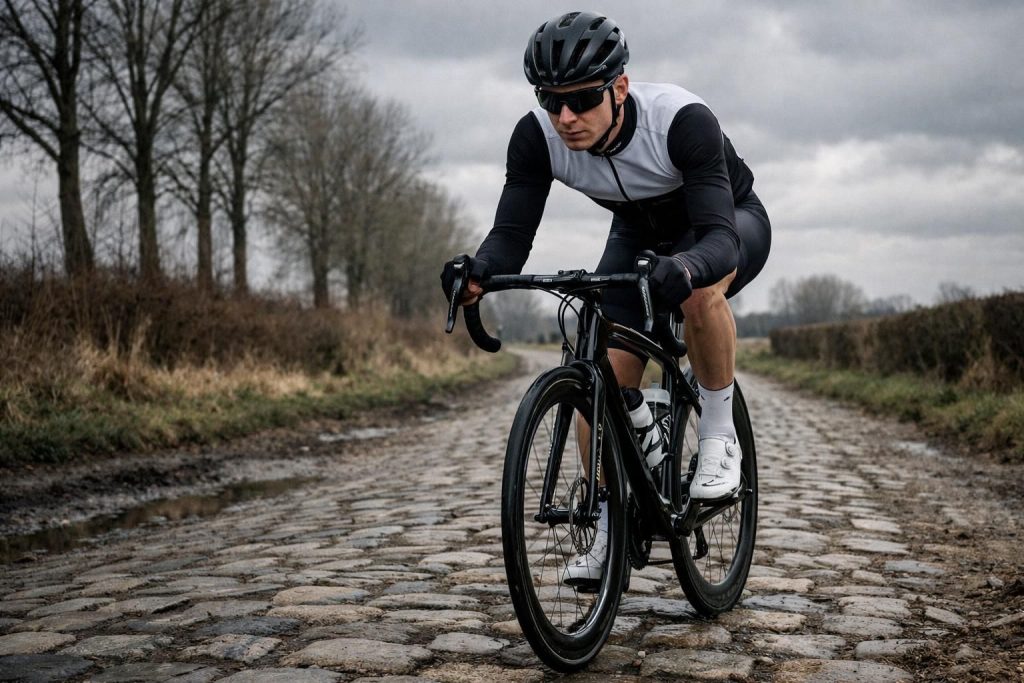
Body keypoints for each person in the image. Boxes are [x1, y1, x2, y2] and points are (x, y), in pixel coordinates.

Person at [441, 11, 771, 584]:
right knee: (600, 379)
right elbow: (512, 234)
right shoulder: (537, 136)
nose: (565, 117)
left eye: (582, 99)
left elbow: (719, 236)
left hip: (723, 224)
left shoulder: (680, 120)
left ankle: (719, 435)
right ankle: (610, 525)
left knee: (696, 296)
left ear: (619, 87)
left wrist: (689, 266)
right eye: (551, 101)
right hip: (638, 234)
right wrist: (480, 270)